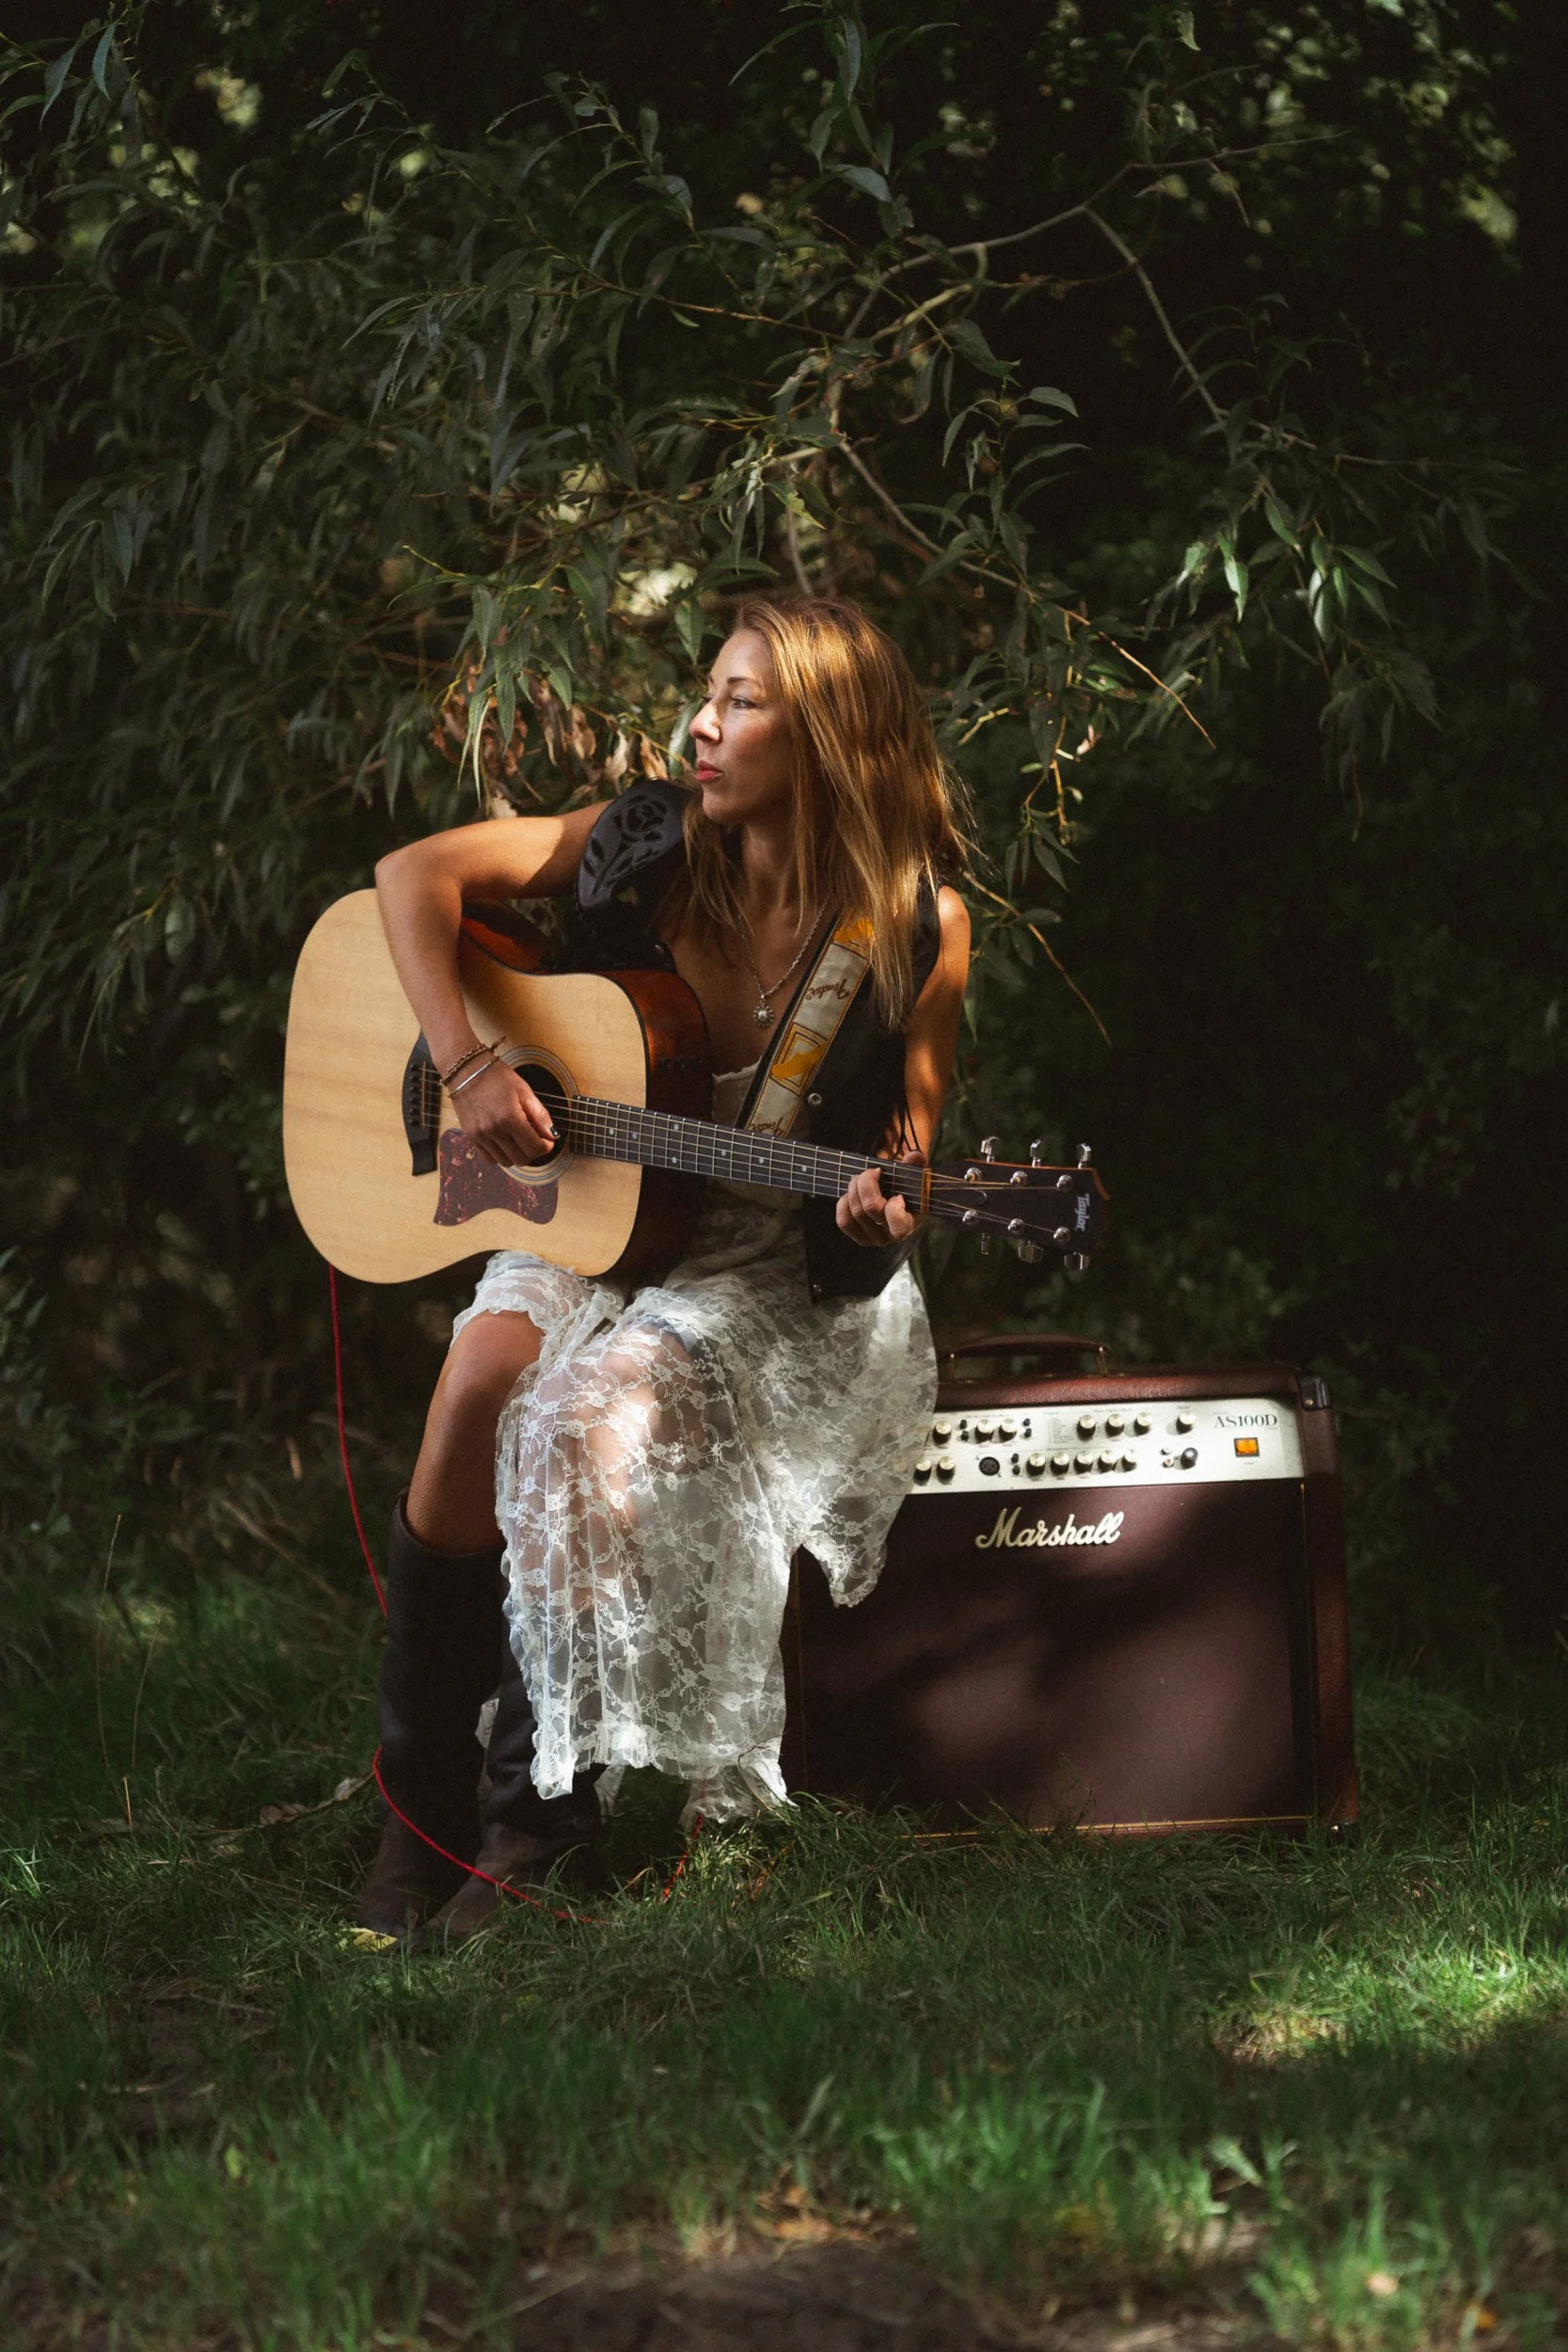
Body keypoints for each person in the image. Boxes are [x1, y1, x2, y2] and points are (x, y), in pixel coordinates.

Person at [357, 595, 972, 1943]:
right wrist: (466, 1064)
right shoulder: (644, 842)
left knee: (587, 1417)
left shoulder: (914, 928)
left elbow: (906, 1157)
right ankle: (419, 1811)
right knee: (472, 1396)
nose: (702, 723)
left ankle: (538, 1837)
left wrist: (889, 1208)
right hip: (606, 1219)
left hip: (762, 1268)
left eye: (742, 702)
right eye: (711, 693)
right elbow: (412, 876)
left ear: (830, 738)